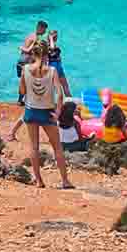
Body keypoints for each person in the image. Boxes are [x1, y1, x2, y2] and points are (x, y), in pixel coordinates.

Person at [17, 42, 74, 189]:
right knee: (57, 148)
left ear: (33, 54)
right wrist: (58, 113)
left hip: (31, 111)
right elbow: (60, 94)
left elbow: (22, 92)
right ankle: (65, 181)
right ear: (46, 54)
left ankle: (39, 181)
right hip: (48, 112)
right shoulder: (53, 71)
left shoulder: (25, 69)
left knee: (34, 147)